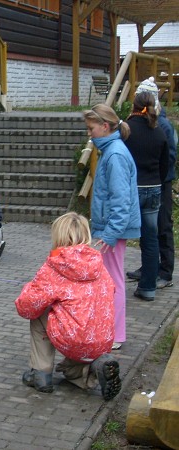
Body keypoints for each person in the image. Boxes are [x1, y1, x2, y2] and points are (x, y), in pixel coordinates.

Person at [15, 212, 121, 400]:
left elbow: (26, 307)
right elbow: (111, 292)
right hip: (101, 339)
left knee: (38, 312)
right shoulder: (98, 264)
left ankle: (41, 373)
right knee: (71, 371)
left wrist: (28, 289)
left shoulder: (56, 265)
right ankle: (95, 368)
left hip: (74, 336)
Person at [83, 104, 140, 351]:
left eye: (91, 128)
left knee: (113, 281)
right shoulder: (112, 150)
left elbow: (121, 200)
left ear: (105, 126)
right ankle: (109, 328)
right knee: (108, 280)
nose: (89, 133)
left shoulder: (115, 154)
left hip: (112, 230)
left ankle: (115, 333)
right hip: (110, 228)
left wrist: (110, 234)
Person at [126, 77, 176, 290]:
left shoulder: (162, 126)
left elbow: (170, 156)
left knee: (162, 228)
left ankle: (165, 271)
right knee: (148, 230)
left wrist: (159, 178)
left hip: (159, 183)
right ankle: (149, 268)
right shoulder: (149, 123)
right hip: (153, 182)